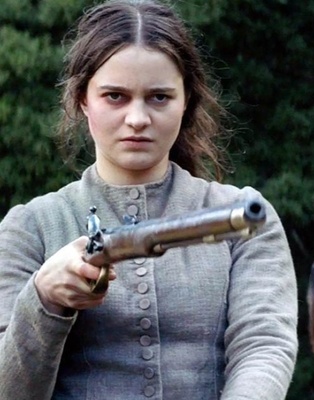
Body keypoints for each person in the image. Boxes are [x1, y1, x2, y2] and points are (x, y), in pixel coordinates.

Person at [0, 0, 298, 399]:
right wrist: (44, 299)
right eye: (115, 96)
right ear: (83, 99)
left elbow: (263, 347)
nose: (138, 118)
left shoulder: (242, 215)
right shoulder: (29, 228)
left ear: (186, 100)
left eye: (159, 97)